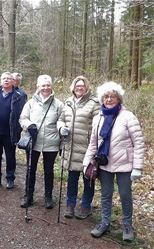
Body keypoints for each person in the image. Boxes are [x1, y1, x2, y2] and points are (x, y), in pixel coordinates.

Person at [83, 81, 144, 241]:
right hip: (104, 163)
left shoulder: (128, 116)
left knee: (125, 195)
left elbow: (138, 142)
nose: (109, 99)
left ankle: (127, 226)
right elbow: (93, 143)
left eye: (112, 96)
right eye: (106, 97)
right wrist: (87, 161)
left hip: (124, 164)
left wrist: (137, 167)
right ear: (102, 99)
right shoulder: (98, 117)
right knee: (106, 194)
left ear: (119, 99)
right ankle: (104, 222)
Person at [57, 76, 100, 219]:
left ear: (87, 87)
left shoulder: (94, 103)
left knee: (88, 177)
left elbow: (98, 124)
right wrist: (61, 127)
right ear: (73, 88)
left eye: (82, 86)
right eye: (77, 86)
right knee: (72, 178)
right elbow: (61, 119)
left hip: (87, 147)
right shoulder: (68, 102)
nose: (79, 88)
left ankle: (85, 206)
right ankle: (70, 205)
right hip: (70, 146)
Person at [19, 75, 64, 209]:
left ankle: (48, 197)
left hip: (51, 142)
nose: (45, 88)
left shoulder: (58, 104)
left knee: (48, 171)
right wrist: (29, 125)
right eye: (43, 85)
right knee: (30, 169)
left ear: (51, 86)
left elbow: (61, 120)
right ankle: (28, 196)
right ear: (38, 87)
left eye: (48, 85)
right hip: (33, 141)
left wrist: (62, 130)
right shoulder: (30, 103)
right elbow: (23, 118)